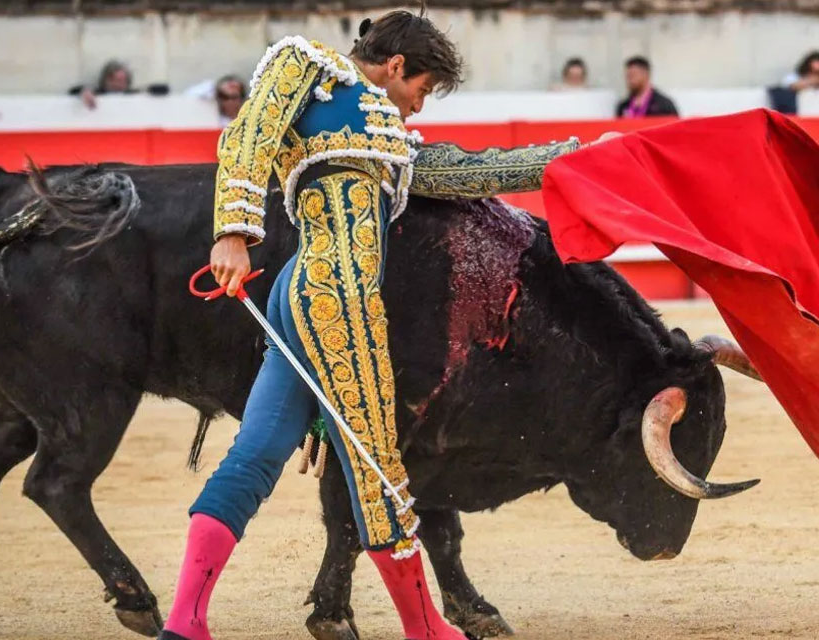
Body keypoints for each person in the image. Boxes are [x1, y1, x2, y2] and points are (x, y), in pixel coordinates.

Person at [158, 10, 615, 640]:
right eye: (421, 90)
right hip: (337, 293)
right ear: (397, 64)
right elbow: (248, 135)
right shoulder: (307, 67)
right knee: (378, 472)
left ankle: (185, 625)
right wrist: (233, 231)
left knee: (257, 454)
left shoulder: (393, 140)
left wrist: (577, 159)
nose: (418, 108)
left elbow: (478, 172)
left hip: (305, 291)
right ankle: (427, 630)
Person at [70, 59, 137, 110]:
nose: (117, 84)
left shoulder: (133, 95)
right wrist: (85, 92)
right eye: (113, 80)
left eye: (121, 81)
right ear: (104, 80)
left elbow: (145, 90)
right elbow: (73, 91)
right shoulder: (98, 93)